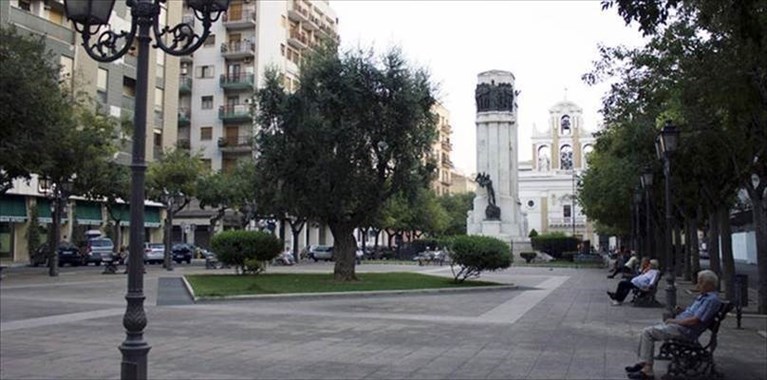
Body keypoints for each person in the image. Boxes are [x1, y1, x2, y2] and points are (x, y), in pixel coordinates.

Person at [625, 270, 722, 379]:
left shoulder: (711, 300)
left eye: (700, 282)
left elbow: (695, 321)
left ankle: (647, 370)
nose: (698, 285)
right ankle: (643, 363)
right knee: (646, 331)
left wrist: (674, 321)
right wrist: (682, 311)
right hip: (681, 327)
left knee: (648, 333)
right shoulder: (705, 297)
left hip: (684, 331)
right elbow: (695, 315)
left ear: (709, 284)